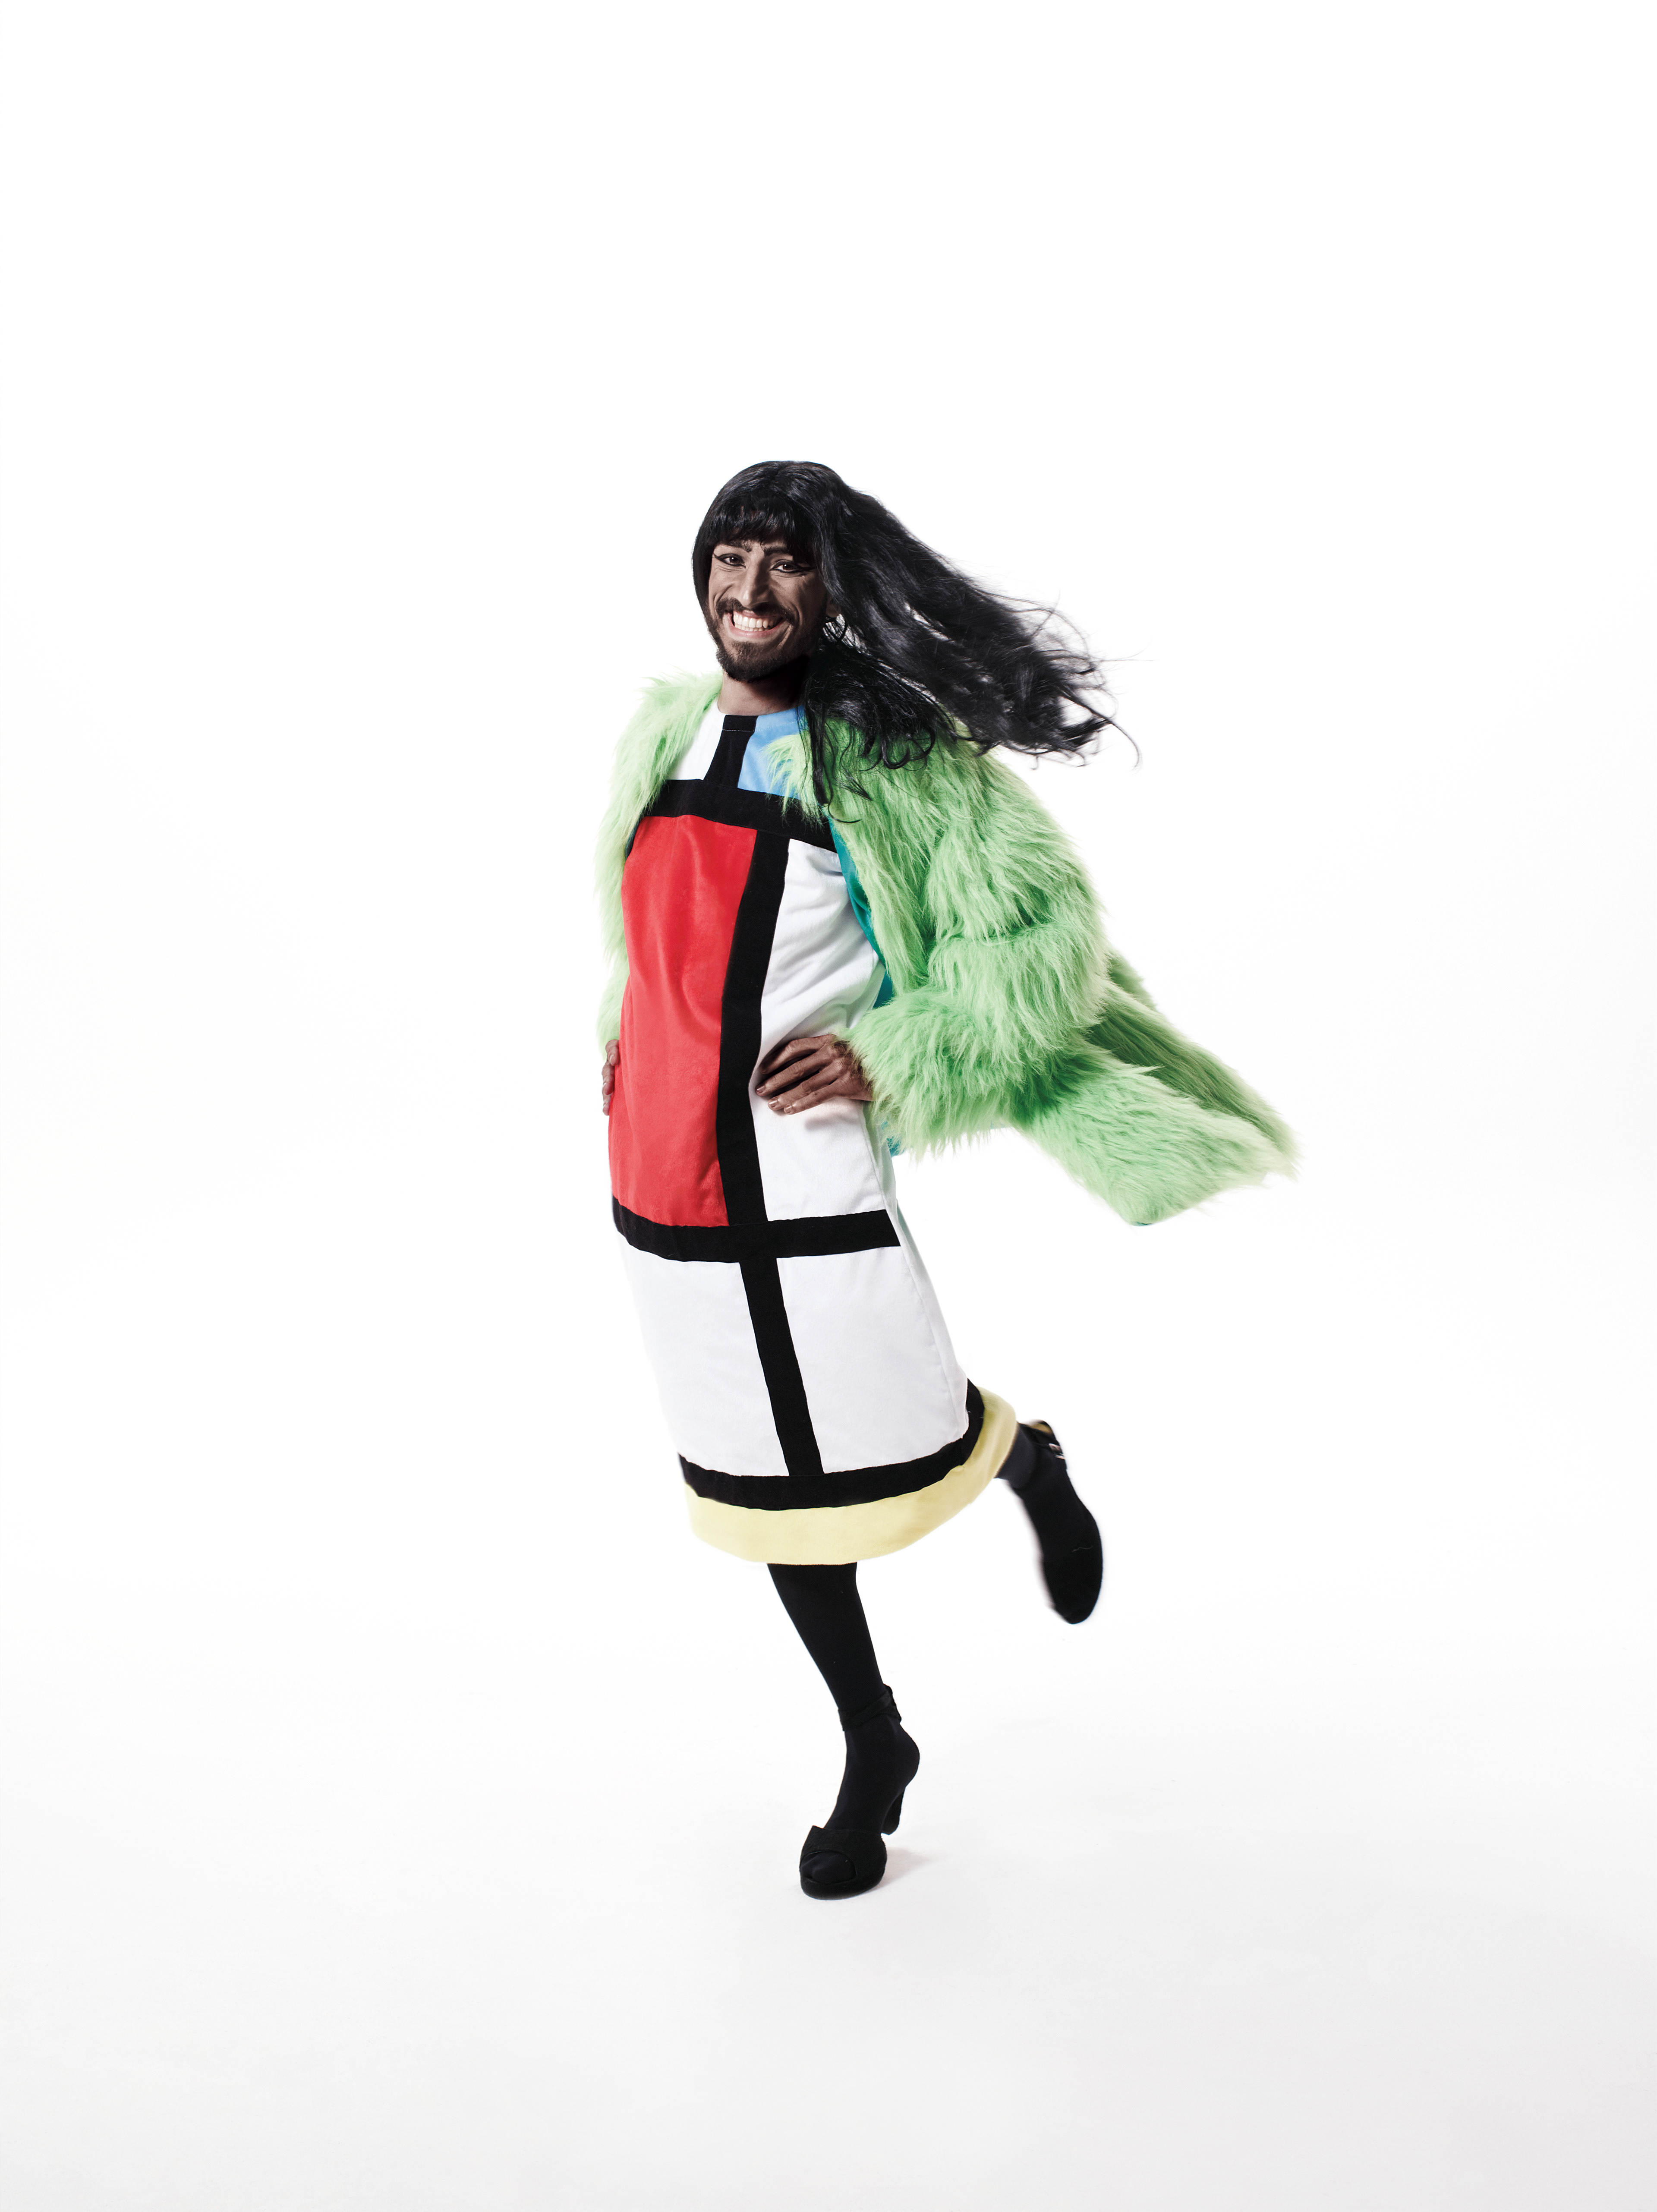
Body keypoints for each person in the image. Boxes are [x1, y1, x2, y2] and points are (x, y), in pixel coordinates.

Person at [596, 461, 1292, 1899]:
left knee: (883, 1425)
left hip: (800, 1163)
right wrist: (623, 1041)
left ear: (833, 583)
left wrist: (886, 1055)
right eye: (730, 557)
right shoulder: (661, 733)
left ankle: (1025, 1461)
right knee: (763, 1477)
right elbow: (644, 938)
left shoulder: (896, 762)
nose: (751, 590)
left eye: (785, 561)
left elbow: (1035, 945)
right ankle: (875, 1740)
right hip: (661, 1169)